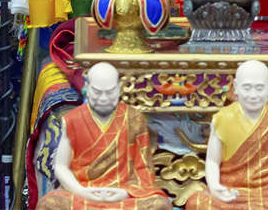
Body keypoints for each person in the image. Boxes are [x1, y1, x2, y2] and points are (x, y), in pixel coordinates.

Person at [187, 60, 268, 210]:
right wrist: (215, 187)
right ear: (236, 87)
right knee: (196, 202)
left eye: (259, 88)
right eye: (247, 88)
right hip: (234, 193)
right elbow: (213, 160)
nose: (253, 95)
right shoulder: (223, 118)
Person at [38, 63, 172, 210]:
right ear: (87, 87)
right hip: (84, 193)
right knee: (48, 204)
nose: (103, 98)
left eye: (109, 92)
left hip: (122, 194)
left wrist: (125, 193)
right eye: (97, 92)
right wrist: (81, 191)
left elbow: (143, 169)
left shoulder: (134, 118)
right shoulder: (72, 120)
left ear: (119, 88)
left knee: (160, 204)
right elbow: (61, 166)